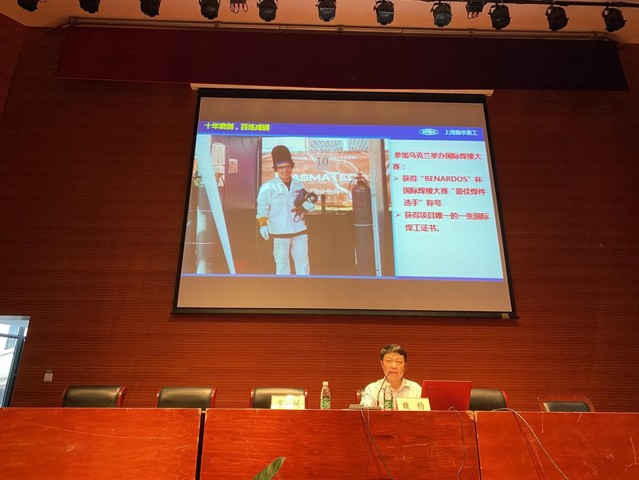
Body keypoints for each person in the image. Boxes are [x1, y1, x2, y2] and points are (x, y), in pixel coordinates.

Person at [256, 145, 315, 275]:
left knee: (303, 261)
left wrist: (308, 207)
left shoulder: (298, 184)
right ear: (276, 169)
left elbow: (305, 202)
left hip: (299, 229)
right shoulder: (268, 187)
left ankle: (304, 284)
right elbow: (262, 207)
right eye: (281, 167)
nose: (285, 170)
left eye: (288, 166)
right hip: (280, 231)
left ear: (291, 167)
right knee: (282, 263)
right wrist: (263, 225)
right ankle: (284, 286)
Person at [359, 344, 422, 408]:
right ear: (382, 364)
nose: (394, 366)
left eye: (399, 362)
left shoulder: (416, 389)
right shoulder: (373, 389)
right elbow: (363, 411)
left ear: (405, 366)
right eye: (389, 361)